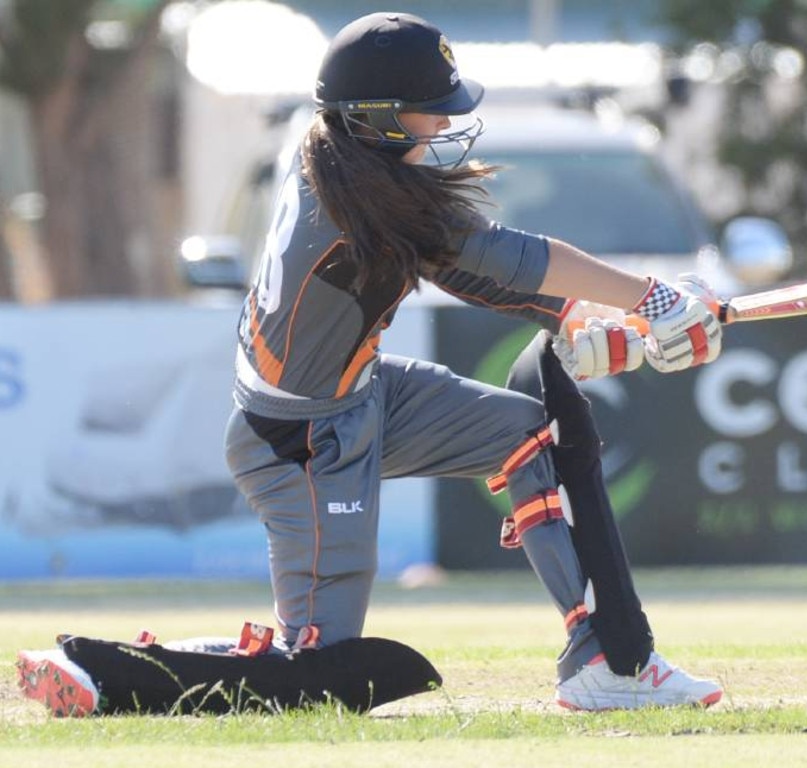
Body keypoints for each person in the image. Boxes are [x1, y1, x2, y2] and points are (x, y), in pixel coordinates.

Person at [16, 11, 724, 717]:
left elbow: (469, 272)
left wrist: (582, 320)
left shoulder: (339, 157)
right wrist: (655, 298)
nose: (443, 126)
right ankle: (102, 675)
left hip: (361, 395)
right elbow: (512, 258)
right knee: (313, 669)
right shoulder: (365, 204)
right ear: (379, 118)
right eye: (428, 112)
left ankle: (600, 663)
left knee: (527, 432)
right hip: (300, 444)